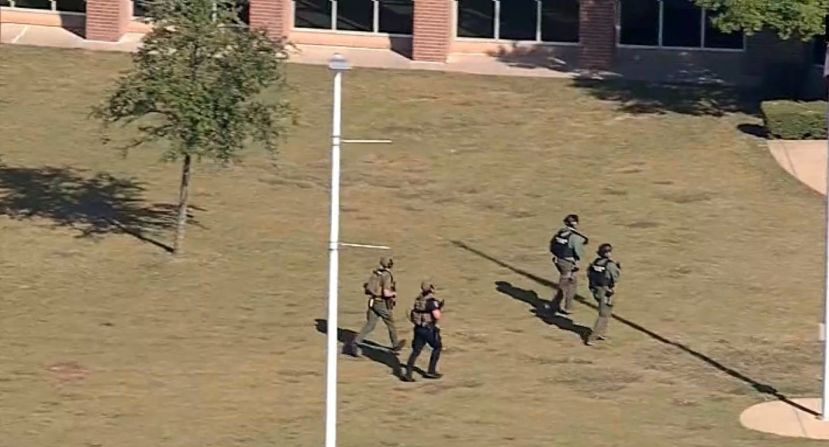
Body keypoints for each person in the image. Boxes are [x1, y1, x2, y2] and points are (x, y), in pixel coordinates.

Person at [347, 257, 405, 356]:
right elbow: (386, 293)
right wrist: (393, 293)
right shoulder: (387, 275)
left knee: (370, 325)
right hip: (381, 303)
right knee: (390, 324)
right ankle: (395, 345)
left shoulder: (376, 273)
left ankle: (356, 342)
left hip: (373, 301)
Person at [402, 281, 444, 382]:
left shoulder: (418, 299)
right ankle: (431, 371)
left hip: (418, 328)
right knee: (437, 347)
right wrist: (439, 308)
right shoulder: (431, 301)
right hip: (428, 329)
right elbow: (437, 315)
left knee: (416, 351)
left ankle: (408, 373)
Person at [549, 214, 588, 314]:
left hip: (558, 260)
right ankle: (565, 306)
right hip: (568, 262)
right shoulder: (574, 237)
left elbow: (552, 246)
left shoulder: (560, 233)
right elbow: (579, 252)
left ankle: (557, 305)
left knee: (565, 282)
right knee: (570, 284)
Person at [585, 243, 621, 346]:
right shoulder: (610, 265)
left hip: (596, 289)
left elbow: (589, 273)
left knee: (607, 312)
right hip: (606, 291)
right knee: (603, 314)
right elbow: (615, 277)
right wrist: (617, 269)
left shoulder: (596, 262)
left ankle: (601, 333)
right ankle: (592, 337)